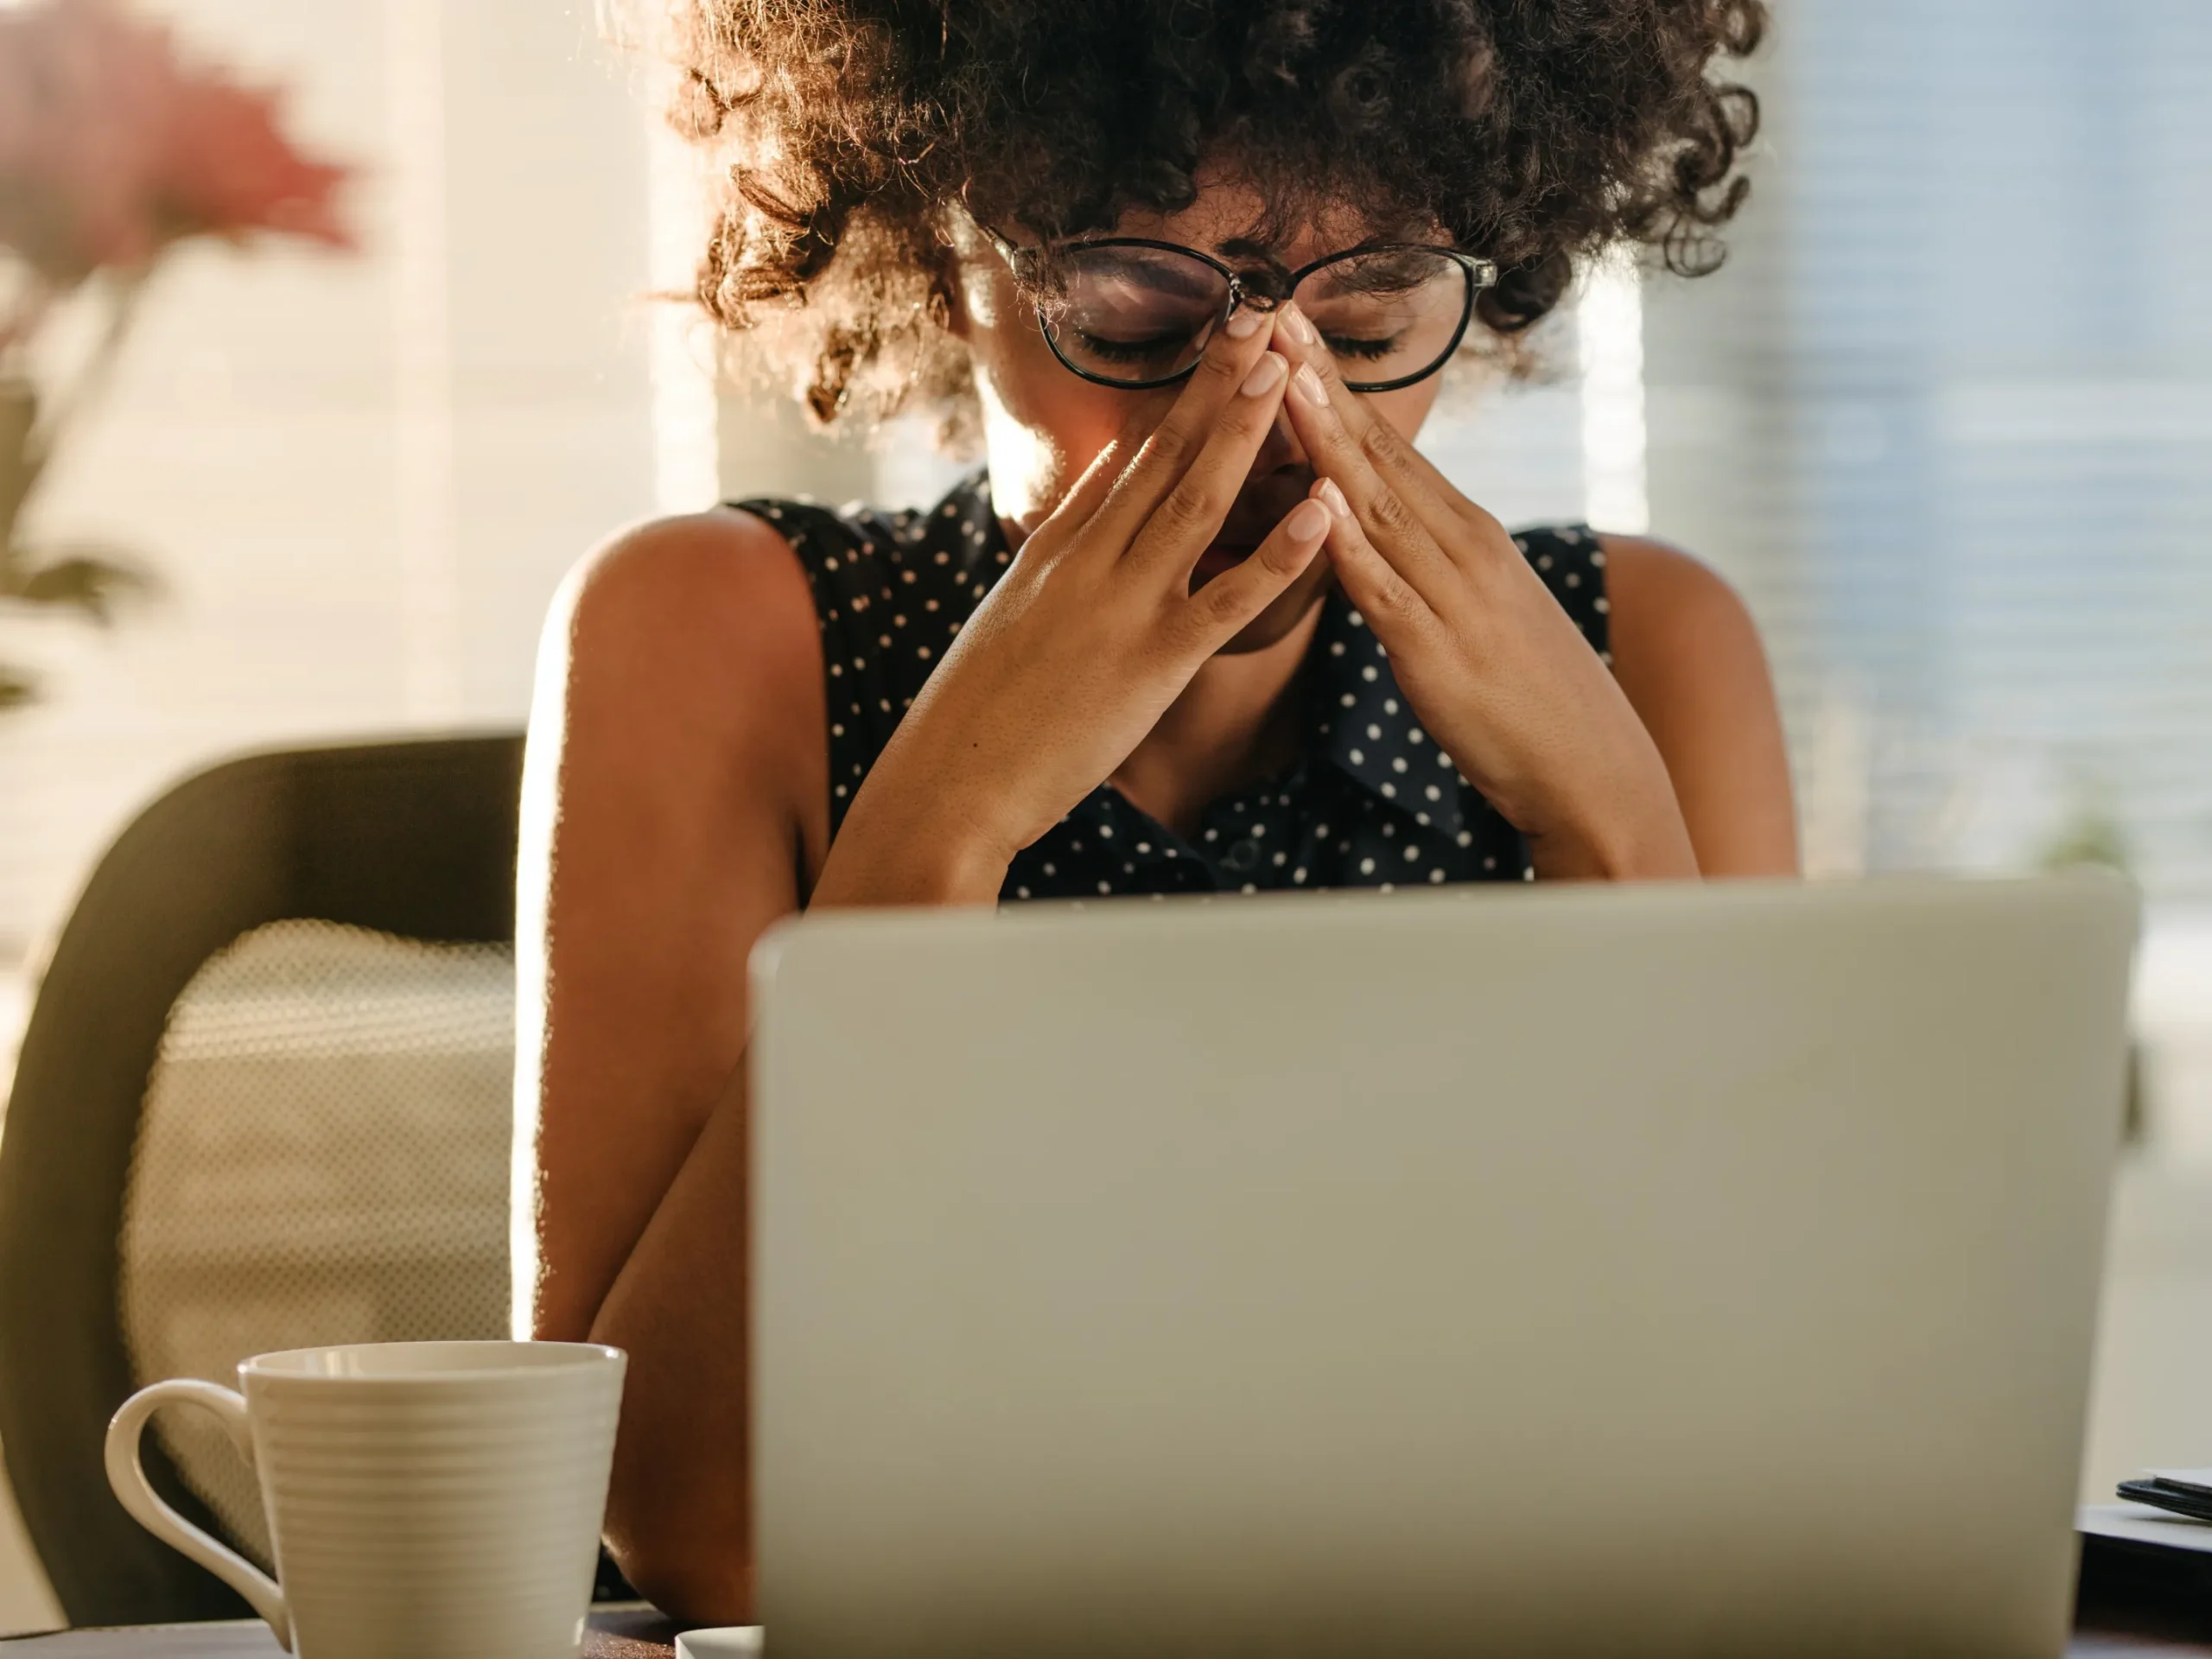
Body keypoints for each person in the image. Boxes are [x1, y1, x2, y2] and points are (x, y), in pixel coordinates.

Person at [519, 0, 1792, 1619]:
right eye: (1129, 304)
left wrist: (1611, 821)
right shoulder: (716, 634)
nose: (1259, 407)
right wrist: (945, 821)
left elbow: (1750, 1482)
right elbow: (700, 1531)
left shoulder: (1653, 654)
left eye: (1377, 302)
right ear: (941, 247)